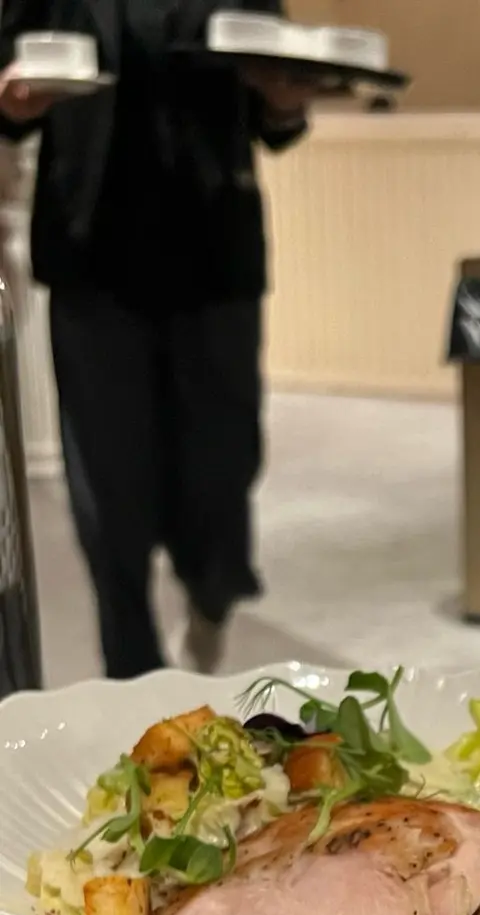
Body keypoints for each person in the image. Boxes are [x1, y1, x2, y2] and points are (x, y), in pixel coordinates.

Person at [0, 1, 320, 680]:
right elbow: (8, 76)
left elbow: (275, 103)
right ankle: (131, 675)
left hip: (215, 262)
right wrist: (13, 101)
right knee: (107, 492)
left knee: (222, 473)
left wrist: (285, 103)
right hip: (91, 260)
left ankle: (212, 599)